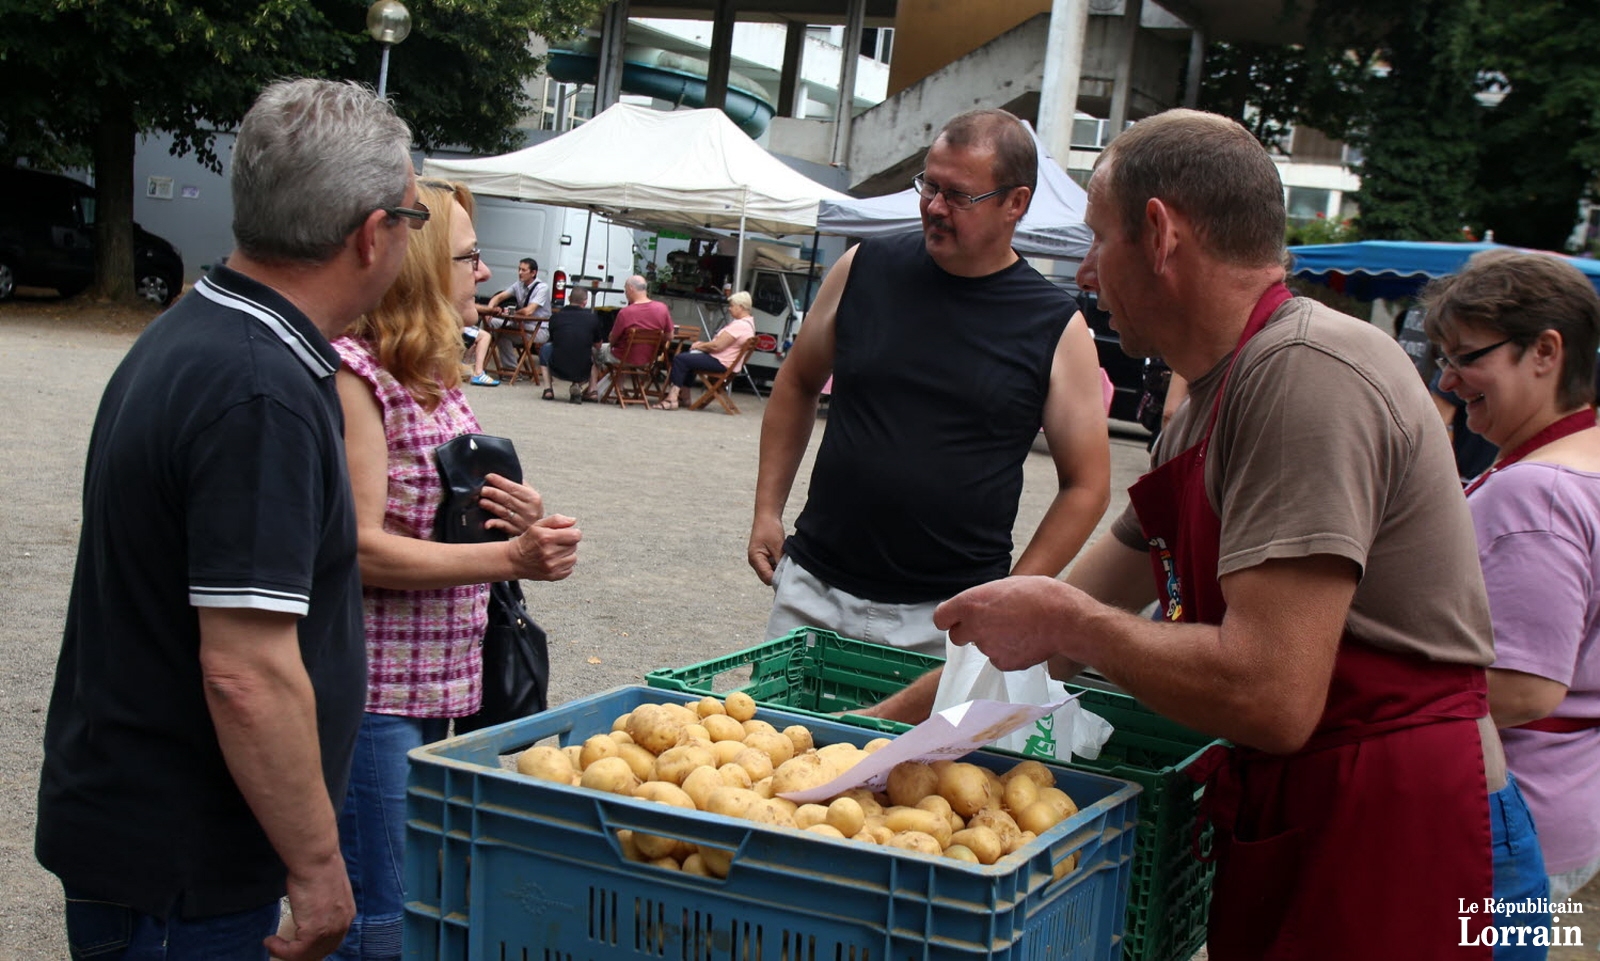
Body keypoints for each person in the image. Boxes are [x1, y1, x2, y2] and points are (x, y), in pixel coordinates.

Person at [916, 108, 1529, 958]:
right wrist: (878, 734)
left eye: (1099, 240)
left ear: (1160, 233)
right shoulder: (1211, 401)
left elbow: (1271, 694)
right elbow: (1047, 617)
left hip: (1444, 842)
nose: (1087, 273)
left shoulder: (1304, 376)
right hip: (1325, 815)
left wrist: (1072, 625)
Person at [35, 78, 416, 961]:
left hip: (152, 832)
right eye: (412, 217)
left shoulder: (203, 330)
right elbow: (245, 669)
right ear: (372, 233)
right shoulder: (259, 388)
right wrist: (320, 866)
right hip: (181, 859)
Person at [747, 108, 1110, 658]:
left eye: (959, 195)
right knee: (775, 743)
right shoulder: (863, 267)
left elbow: (1087, 485)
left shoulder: (1055, 325)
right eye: (929, 186)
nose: (934, 207)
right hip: (813, 589)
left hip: (946, 617)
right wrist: (767, 510)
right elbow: (797, 381)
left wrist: (1013, 593)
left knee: (923, 752)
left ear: (1016, 202)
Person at [329, 179, 582, 959]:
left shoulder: (435, 375)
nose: (483, 271)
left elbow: (440, 503)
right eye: (469, 256)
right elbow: (356, 545)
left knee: (419, 896)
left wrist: (518, 511)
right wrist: (509, 555)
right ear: (419, 266)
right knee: (379, 914)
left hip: (444, 683)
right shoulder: (355, 376)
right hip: (374, 692)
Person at [1425, 249, 1600, 903]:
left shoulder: (1538, 492)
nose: (1447, 380)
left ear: (1546, 351)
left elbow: (1525, 688)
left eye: (1468, 356)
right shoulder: (1578, 461)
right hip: (1558, 811)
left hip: (1499, 825)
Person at [657, 290, 756, 410]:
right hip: (727, 362)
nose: (729, 309)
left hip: (721, 362)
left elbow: (717, 346)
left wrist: (699, 346)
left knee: (680, 359)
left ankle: (672, 398)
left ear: (741, 307)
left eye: (732, 306)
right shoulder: (749, 324)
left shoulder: (740, 326)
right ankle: (685, 396)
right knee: (689, 358)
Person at [585, 275, 674, 400]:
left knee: (594, 349)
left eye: (625, 289)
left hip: (623, 358)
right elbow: (670, 336)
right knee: (624, 350)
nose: (625, 293)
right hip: (648, 360)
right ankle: (619, 390)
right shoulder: (662, 308)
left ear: (631, 288)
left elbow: (612, 339)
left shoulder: (626, 312)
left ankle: (592, 389)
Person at [473, 257, 551, 384]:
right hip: (519, 325)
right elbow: (499, 297)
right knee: (488, 322)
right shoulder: (518, 285)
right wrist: (489, 310)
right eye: (519, 269)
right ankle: (477, 361)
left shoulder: (542, 288)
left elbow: (528, 311)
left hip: (537, 330)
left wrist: (510, 312)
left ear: (533, 273)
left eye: (524, 270)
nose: (520, 272)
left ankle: (510, 369)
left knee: (502, 333)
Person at [540, 285, 604, 402]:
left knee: (545, 348)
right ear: (585, 302)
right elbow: (598, 345)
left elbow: (554, 340)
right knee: (595, 351)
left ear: (569, 298)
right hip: (583, 369)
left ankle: (548, 389)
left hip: (557, 367)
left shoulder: (556, 317)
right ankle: (591, 389)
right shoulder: (592, 319)